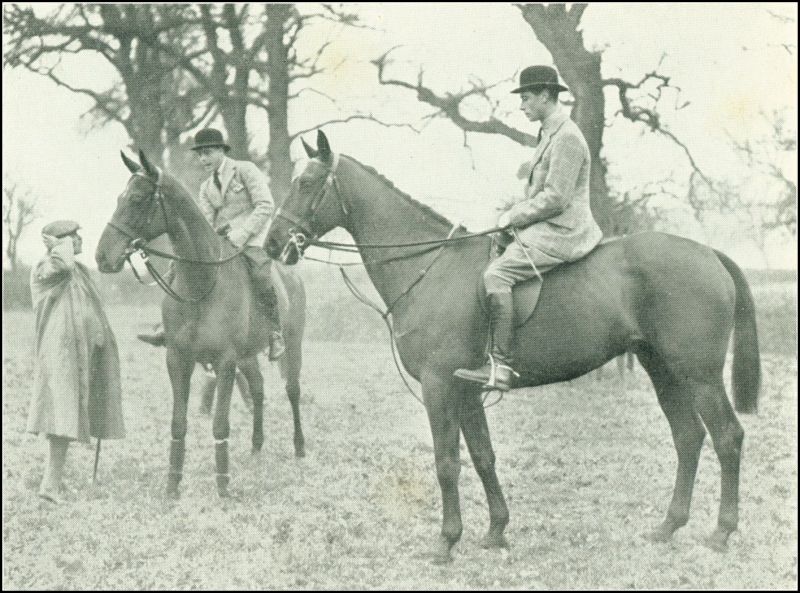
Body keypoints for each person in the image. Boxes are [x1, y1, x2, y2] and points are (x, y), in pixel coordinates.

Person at [454, 65, 603, 391]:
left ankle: (500, 366)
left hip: (564, 229)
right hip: (547, 223)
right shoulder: (549, 133)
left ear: (547, 96)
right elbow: (538, 191)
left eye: (526, 98)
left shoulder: (566, 137)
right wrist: (505, 210)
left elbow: (556, 198)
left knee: (497, 275)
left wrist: (514, 216)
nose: (521, 105)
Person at [138, 128, 285, 360]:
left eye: (207, 153)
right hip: (222, 241)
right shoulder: (206, 187)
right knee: (177, 270)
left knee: (261, 275)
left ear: (220, 151)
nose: (203, 159)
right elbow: (205, 223)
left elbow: (265, 205)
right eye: (199, 155)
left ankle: (275, 333)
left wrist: (241, 234)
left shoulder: (245, 170)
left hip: (251, 239)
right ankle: (169, 326)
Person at [27, 220, 125, 503]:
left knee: (68, 419)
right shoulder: (47, 268)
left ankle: (52, 484)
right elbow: (63, 265)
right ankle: (49, 485)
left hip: (79, 354)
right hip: (59, 353)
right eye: (73, 237)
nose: (80, 240)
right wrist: (60, 246)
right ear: (58, 243)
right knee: (61, 418)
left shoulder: (78, 272)